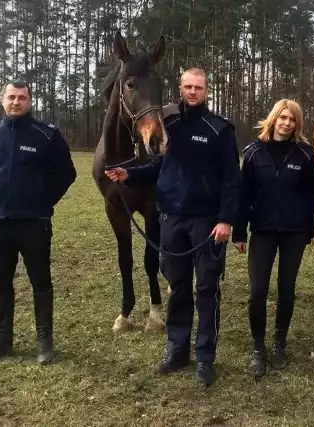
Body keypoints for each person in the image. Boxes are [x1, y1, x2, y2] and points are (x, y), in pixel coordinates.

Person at [104, 68, 241, 387]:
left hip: (207, 224)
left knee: (206, 290)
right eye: (188, 87)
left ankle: (205, 357)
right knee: (178, 287)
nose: (192, 92)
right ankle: (177, 350)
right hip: (171, 220)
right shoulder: (170, 125)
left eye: (198, 87)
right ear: (180, 89)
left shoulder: (220, 129)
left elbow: (232, 180)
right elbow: (158, 166)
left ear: (206, 91)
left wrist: (226, 219)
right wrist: (130, 176)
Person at [0, 80, 77, 365]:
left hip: (34, 222)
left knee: (40, 282)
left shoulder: (47, 136)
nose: (16, 102)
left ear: (30, 101)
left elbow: (67, 174)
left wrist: (43, 200)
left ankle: (44, 342)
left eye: (22, 97)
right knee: (0, 282)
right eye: (11, 97)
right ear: (2, 100)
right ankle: (1, 340)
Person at [231, 99, 314, 378]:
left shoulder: (305, 155)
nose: (287, 123)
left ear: (297, 124)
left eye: (292, 119)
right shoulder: (254, 152)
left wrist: (307, 230)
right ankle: (258, 347)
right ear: (273, 119)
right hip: (263, 231)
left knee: (286, 289)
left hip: (293, 232)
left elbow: (312, 197)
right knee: (257, 291)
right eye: (282, 118)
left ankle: (279, 342)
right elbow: (243, 196)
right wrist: (239, 230)